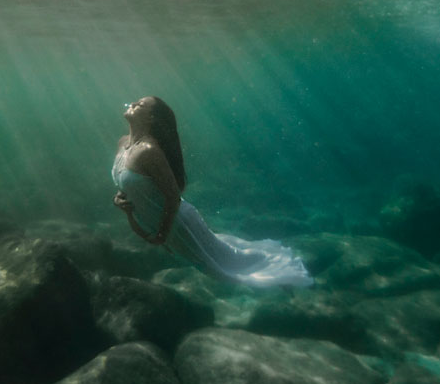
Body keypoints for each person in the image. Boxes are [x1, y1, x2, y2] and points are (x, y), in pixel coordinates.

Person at [112, 96, 313, 288]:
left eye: (140, 104)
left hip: (177, 223)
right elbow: (127, 183)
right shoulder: (123, 143)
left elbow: (173, 197)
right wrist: (121, 200)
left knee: (222, 270)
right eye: (137, 101)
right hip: (157, 221)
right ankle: (276, 275)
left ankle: (282, 278)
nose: (133, 103)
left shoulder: (148, 151)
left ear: (151, 118)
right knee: (224, 261)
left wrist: (162, 234)